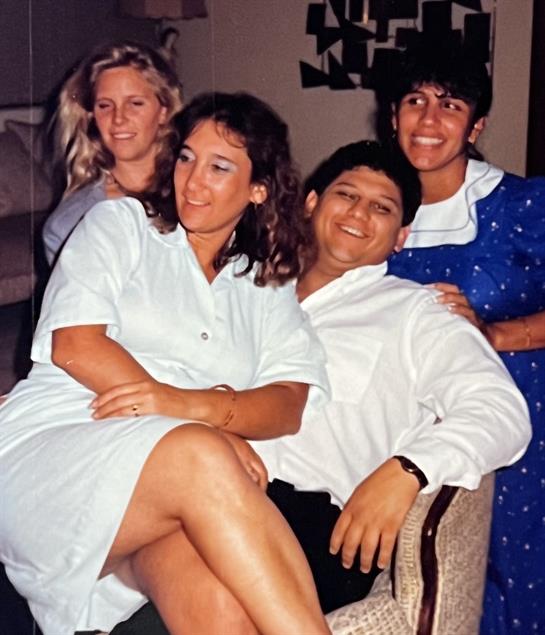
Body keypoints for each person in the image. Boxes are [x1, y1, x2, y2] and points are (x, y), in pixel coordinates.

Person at [0, 92, 330, 635]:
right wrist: (202, 429)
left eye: (219, 167)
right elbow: (75, 344)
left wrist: (190, 408)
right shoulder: (122, 225)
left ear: (259, 189)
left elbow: (288, 403)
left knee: (221, 609)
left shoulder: (264, 283)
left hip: (149, 509)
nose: (193, 180)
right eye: (186, 158)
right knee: (200, 453)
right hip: (58, 453)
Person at [247, 140, 531, 615]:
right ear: (311, 203)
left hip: (313, 528)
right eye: (346, 195)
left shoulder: (417, 312)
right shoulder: (246, 290)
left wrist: (409, 469)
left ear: (401, 236)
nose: (359, 213)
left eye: (382, 208)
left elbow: (501, 412)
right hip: (214, 486)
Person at [379, 43, 545, 634]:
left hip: (525, 427)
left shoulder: (524, 205)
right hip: (415, 432)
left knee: (522, 583)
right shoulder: (372, 206)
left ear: (475, 126)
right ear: (393, 115)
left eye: (449, 105)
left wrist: (496, 332)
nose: (429, 119)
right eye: (415, 101)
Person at [42, 40, 183, 265]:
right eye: (105, 105)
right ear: (92, 116)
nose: (118, 118)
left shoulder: (196, 190)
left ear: (163, 111)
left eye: (135, 103)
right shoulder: (71, 223)